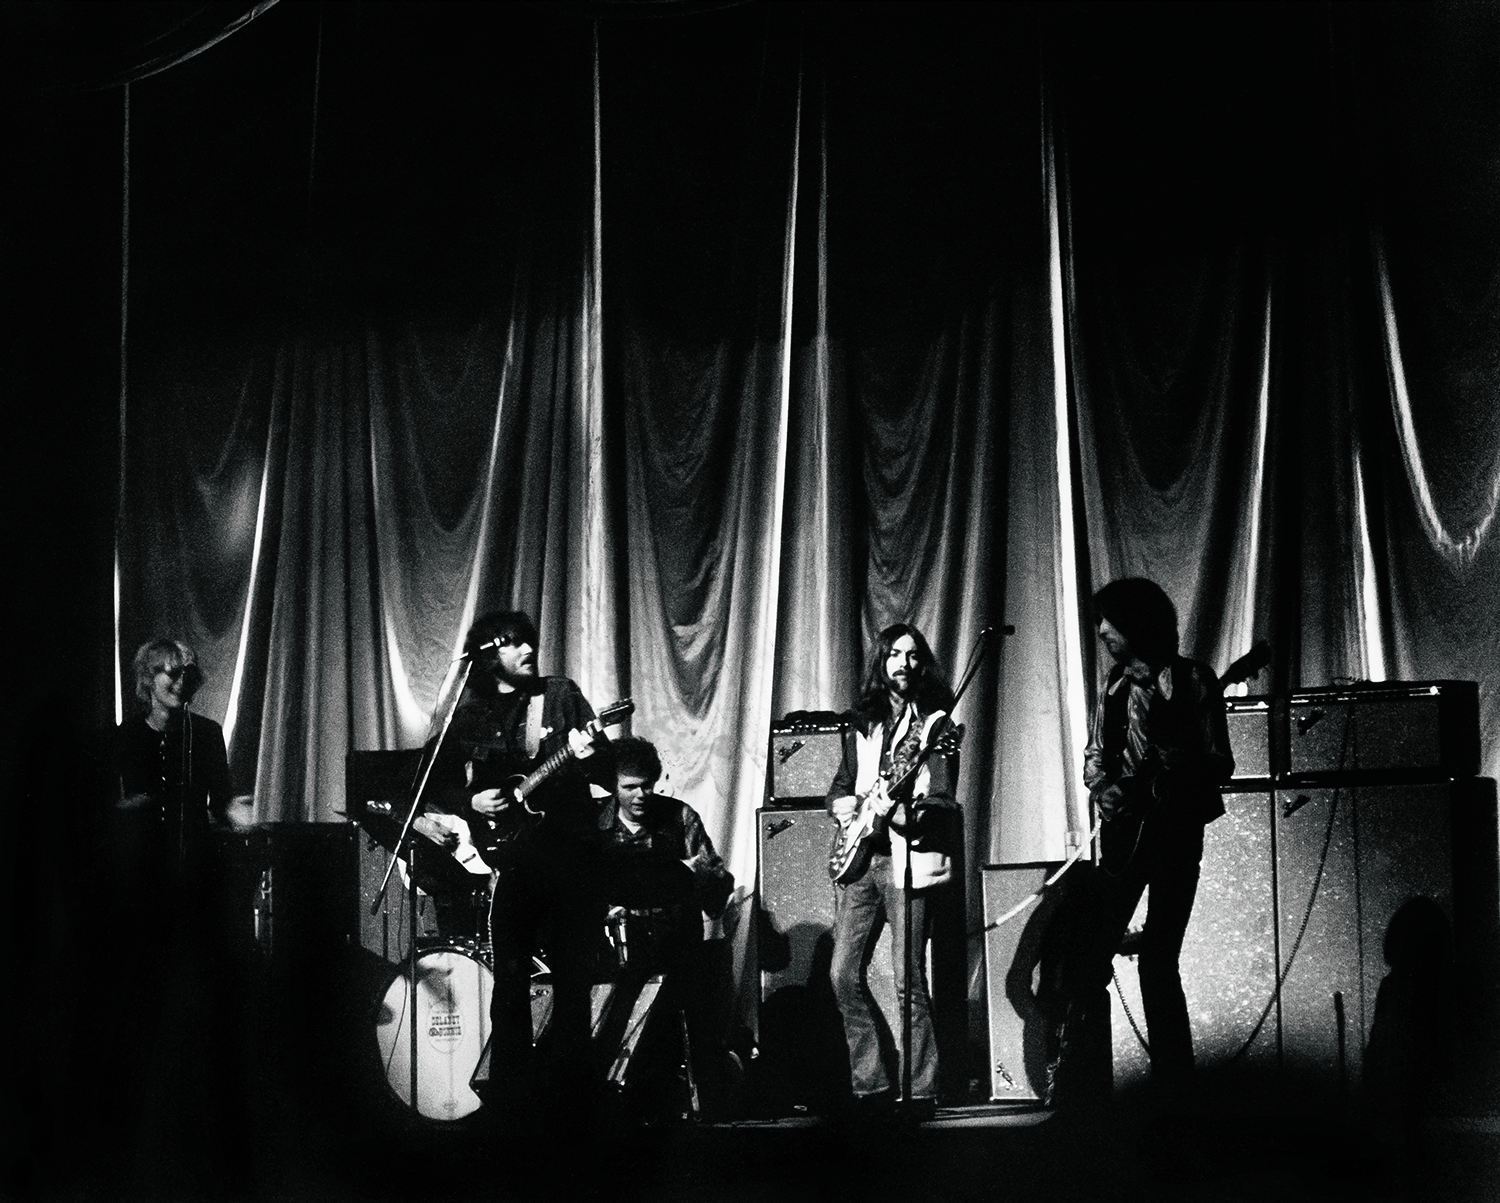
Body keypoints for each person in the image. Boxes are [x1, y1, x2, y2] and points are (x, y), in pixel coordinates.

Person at [436, 609, 614, 1116]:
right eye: (513, 644)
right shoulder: (471, 713)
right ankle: (510, 1099)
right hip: (515, 861)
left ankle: (571, 1098)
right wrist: (470, 803)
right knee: (509, 979)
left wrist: (585, 756)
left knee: (572, 977)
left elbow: (605, 766)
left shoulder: (560, 695)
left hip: (569, 857)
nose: (527, 650)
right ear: (490, 655)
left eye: (529, 642)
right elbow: (435, 777)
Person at [1072, 578, 1234, 1089]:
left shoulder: (1194, 681)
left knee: (1159, 963)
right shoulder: (1115, 687)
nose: (1100, 631)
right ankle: (1087, 1085)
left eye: (1109, 622)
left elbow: (1220, 763)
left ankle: (1173, 1091)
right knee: (1091, 957)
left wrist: (1181, 762)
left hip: (1176, 839)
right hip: (1124, 839)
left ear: (1138, 624)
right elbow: (1096, 755)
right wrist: (1103, 789)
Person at [826, 623, 959, 1119]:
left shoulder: (936, 727)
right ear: (881, 663)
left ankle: (921, 1090)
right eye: (894, 654)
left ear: (922, 664)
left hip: (904, 860)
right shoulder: (862, 722)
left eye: (912, 655)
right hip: (860, 860)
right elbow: (841, 783)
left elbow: (943, 800)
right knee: (842, 976)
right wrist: (842, 805)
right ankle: (872, 1085)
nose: (903, 663)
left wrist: (901, 812)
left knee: (909, 980)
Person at [597, 737, 734, 1119]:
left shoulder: (679, 817)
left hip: (675, 941)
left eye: (647, 785)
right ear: (613, 786)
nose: (640, 795)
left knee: (683, 1009)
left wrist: (702, 875)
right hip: (612, 945)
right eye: (629, 787)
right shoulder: (595, 825)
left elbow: (717, 882)